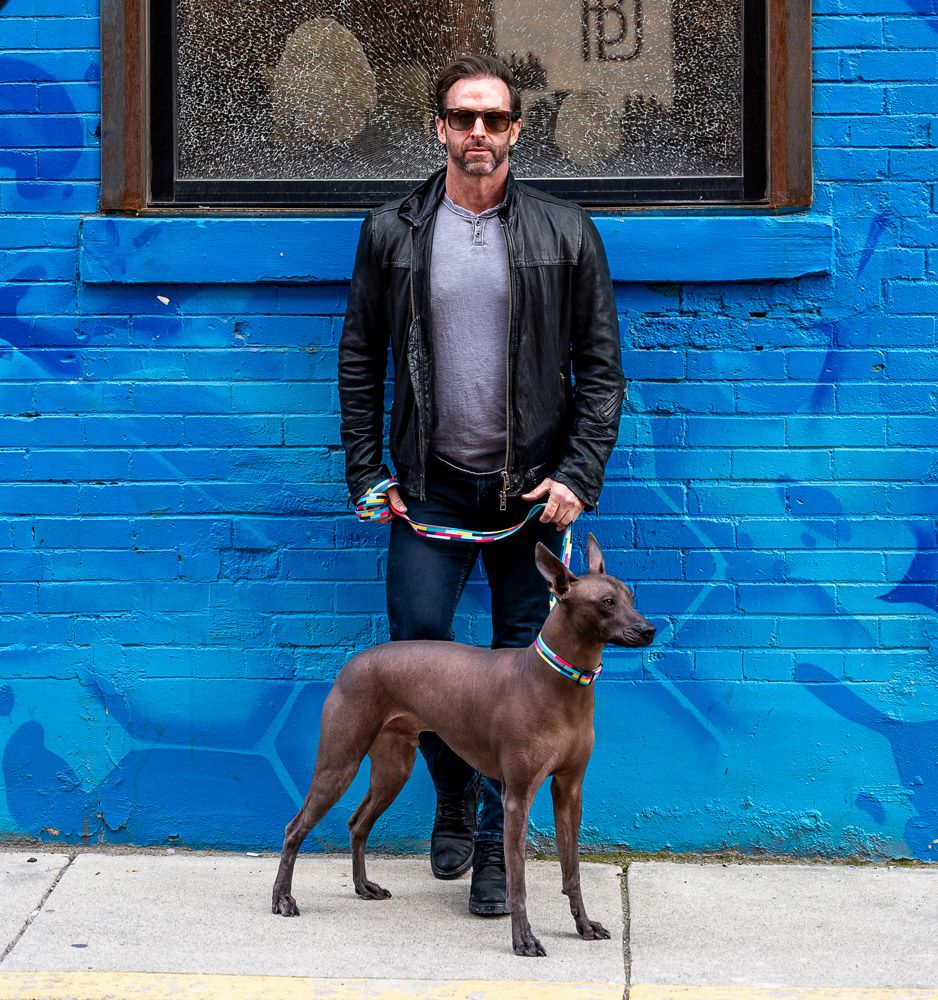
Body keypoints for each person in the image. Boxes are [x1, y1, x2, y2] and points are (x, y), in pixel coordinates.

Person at [338, 53, 624, 916]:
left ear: (515, 131)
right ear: (439, 128)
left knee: (524, 663)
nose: (478, 133)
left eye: (494, 119)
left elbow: (601, 371)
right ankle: (454, 800)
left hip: (529, 496)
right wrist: (366, 471)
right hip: (428, 487)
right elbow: (361, 357)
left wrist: (577, 475)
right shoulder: (391, 231)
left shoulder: (565, 231)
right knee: (418, 648)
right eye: (463, 117)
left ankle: (503, 847)